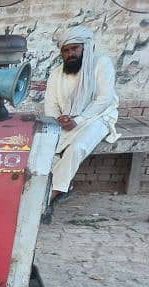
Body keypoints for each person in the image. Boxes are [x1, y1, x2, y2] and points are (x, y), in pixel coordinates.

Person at [44, 25, 119, 201]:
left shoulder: (101, 63)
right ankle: (55, 187)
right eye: (66, 50)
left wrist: (79, 119)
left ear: (84, 47)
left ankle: (52, 194)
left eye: (74, 48)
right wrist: (58, 119)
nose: (70, 54)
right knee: (49, 149)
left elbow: (104, 99)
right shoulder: (56, 74)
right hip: (67, 121)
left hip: (98, 117)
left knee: (77, 147)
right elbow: (51, 104)